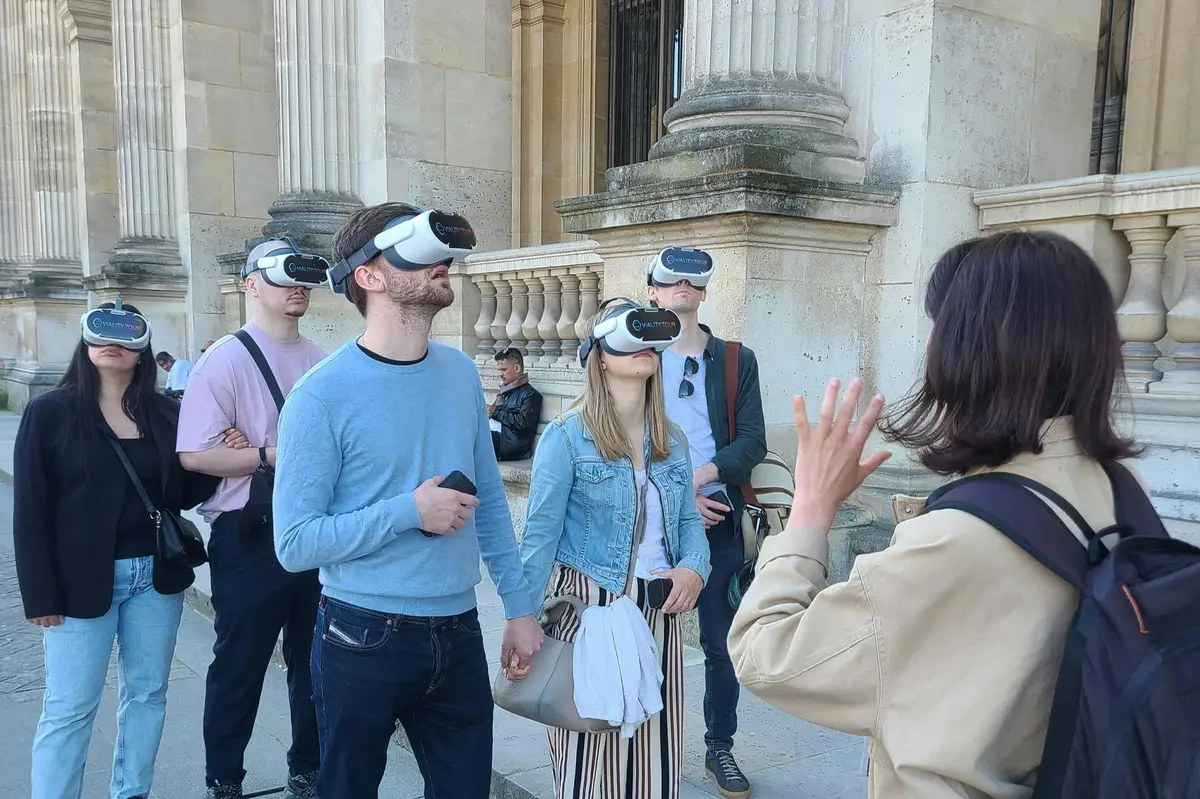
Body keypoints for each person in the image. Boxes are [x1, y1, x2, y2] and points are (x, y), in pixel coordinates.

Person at [728, 231, 1143, 799]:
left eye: (937, 326)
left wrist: (809, 512)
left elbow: (768, 655)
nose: (927, 347)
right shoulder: (1120, 488)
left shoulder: (958, 540)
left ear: (970, 347)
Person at [273, 202, 543, 799]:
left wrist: (520, 608)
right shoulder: (319, 396)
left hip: (459, 630)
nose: (440, 262)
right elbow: (294, 544)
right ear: (368, 275)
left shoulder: (460, 373)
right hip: (360, 636)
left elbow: (489, 501)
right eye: (416, 252)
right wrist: (408, 512)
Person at [13, 301, 221, 799]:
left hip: (155, 578)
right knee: (70, 706)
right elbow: (30, 511)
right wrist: (39, 595)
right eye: (102, 332)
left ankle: (132, 793)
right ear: (85, 342)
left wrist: (217, 457)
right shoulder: (50, 411)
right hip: (78, 579)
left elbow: (181, 494)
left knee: (147, 695)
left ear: (143, 347)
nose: (113, 344)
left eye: (127, 335)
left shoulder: (166, 412)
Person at [520, 299, 712, 799]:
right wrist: (522, 620)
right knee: (586, 760)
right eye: (630, 335)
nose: (644, 347)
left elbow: (688, 520)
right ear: (600, 356)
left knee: (652, 761)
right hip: (589, 608)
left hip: (658, 613)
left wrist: (694, 567)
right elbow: (539, 538)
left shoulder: (672, 440)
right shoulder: (566, 437)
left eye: (651, 338)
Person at [177, 239, 329, 799]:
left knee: (314, 662)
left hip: (313, 529)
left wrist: (250, 449)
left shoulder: (321, 359)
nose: (297, 288)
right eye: (282, 276)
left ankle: (307, 770)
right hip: (249, 534)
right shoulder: (225, 358)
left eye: (302, 278)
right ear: (250, 284)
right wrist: (269, 454)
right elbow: (196, 454)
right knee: (239, 664)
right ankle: (224, 779)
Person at [645, 246, 765, 798]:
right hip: (649, 521)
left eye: (692, 282)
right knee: (647, 636)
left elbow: (752, 441)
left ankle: (720, 747)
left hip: (718, 517)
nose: (682, 288)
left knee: (721, 644)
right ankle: (645, 742)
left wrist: (700, 478)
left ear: (705, 291)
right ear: (652, 291)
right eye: (670, 281)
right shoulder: (638, 356)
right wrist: (678, 493)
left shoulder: (736, 360)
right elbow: (619, 438)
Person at [489, 347, 543, 461]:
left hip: (510, 446)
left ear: (517, 368)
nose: (500, 374)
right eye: (499, 370)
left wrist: (495, 412)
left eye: (504, 369)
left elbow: (524, 424)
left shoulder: (531, 395)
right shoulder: (505, 391)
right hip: (496, 438)